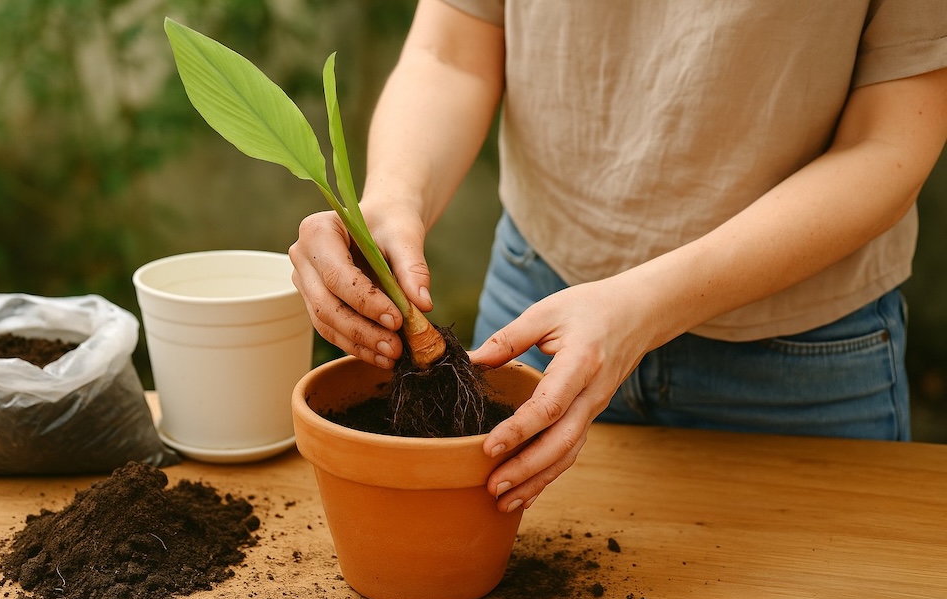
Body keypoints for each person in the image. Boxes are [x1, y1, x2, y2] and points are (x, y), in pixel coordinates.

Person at [289, 0, 947, 513]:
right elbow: (453, 49)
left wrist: (646, 305)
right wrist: (393, 202)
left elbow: (889, 140)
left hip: (797, 362)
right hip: (534, 317)